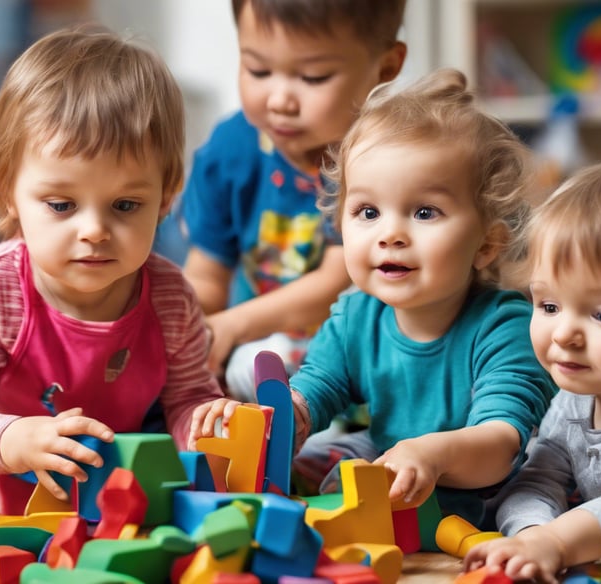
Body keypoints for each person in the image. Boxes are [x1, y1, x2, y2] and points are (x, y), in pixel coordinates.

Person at [190, 68, 556, 527]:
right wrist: (267, 422)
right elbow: (315, 391)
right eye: (367, 211)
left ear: (486, 244)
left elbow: (501, 445)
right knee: (316, 464)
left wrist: (430, 455)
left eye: (424, 212)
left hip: (486, 488)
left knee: (533, 514)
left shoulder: (504, 326)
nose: (390, 234)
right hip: (390, 467)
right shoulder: (355, 315)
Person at [0, 25, 224, 516]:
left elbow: (187, 400)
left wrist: (211, 428)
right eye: (62, 205)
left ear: (166, 196)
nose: (95, 231)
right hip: (11, 458)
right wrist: (14, 438)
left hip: (116, 460)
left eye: (126, 204)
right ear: (5, 192)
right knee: (5, 490)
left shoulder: (170, 295)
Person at [176, 0, 407, 400]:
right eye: (258, 70)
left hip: (369, 352)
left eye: (313, 77)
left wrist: (232, 324)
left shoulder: (382, 160)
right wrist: (181, 326)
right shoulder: (230, 151)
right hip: (258, 350)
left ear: (385, 68)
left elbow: (336, 282)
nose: (280, 99)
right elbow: (207, 275)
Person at [462, 157, 601, 583]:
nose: (564, 335)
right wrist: (530, 536)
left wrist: (557, 542)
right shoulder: (575, 396)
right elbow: (536, 481)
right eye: (548, 306)